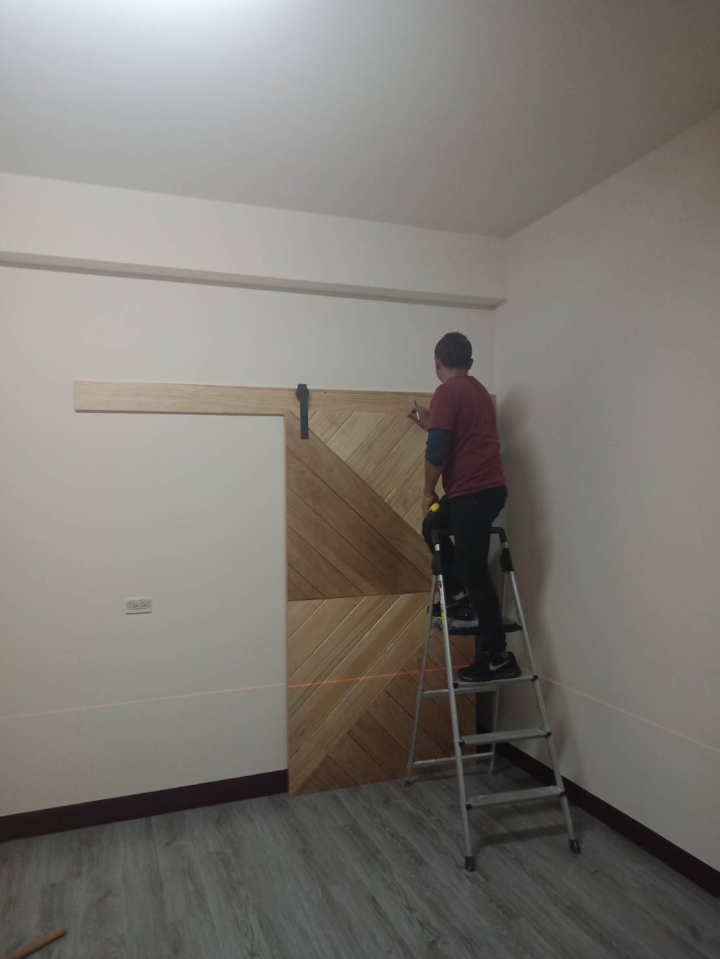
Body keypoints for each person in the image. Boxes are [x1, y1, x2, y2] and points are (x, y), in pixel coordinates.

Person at [409, 332, 520, 682]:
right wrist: (430, 422)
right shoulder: (478, 391)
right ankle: (457, 594)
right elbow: (459, 434)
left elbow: (438, 449)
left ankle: (498, 657)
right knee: (433, 526)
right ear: (470, 363)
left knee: (474, 571)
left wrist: (427, 492)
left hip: (472, 494)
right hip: (485, 491)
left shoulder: (446, 392)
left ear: (437, 362)